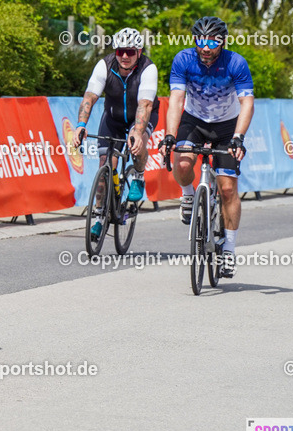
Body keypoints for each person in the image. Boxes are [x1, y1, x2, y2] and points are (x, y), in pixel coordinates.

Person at [160, 16, 254, 279]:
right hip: (194, 121)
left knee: (226, 188)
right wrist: (169, 135)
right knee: (182, 162)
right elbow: (176, 99)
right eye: (200, 41)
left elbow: (247, 102)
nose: (205, 48)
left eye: (212, 42)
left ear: (222, 41)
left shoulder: (235, 63)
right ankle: (189, 194)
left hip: (227, 126)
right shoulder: (183, 60)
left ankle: (230, 251)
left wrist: (238, 137)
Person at [71, 28, 159, 242]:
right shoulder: (105, 65)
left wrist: (137, 133)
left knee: (139, 143)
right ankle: (100, 218)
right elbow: (90, 97)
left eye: (130, 51)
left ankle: (138, 175)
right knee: (105, 163)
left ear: (138, 51)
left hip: (142, 115)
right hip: (113, 118)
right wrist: (81, 124)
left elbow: (145, 105)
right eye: (121, 51)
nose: (125, 56)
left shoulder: (148, 69)